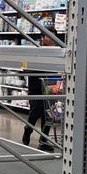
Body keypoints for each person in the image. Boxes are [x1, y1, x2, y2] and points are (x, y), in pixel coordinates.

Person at [22, 23, 58, 152]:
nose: (52, 39)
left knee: (48, 115)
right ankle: (27, 132)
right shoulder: (35, 50)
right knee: (35, 113)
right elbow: (25, 68)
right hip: (36, 88)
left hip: (50, 88)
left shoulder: (57, 52)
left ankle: (43, 141)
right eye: (49, 36)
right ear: (42, 37)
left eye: (54, 37)